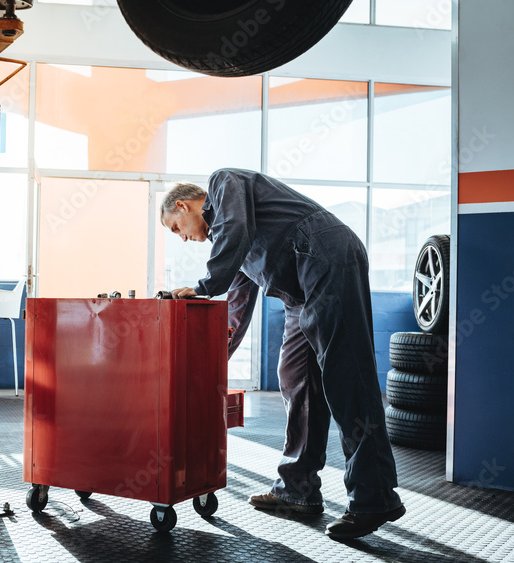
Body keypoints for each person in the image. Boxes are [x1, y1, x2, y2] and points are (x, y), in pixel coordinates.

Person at [161, 168, 404, 539]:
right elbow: (238, 307)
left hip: (324, 256)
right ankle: (298, 490)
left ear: (182, 205)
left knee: (346, 377)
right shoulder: (232, 241)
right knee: (296, 379)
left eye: (175, 228)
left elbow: (233, 235)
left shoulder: (223, 183)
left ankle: (375, 498)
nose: (182, 238)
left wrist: (204, 286)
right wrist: (210, 360)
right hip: (297, 290)